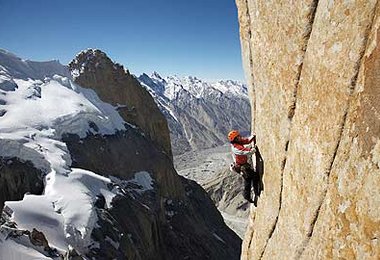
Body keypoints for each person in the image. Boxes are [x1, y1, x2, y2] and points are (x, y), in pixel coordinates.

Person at [228, 130, 259, 205]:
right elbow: (244, 151)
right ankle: (250, 194)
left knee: (249, 179)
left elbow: (246, 141)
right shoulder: (236, 148)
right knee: (251, 178)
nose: (240, 137)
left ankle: (251, 193)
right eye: (238, 136)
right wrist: (253, 150)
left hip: (243, 165)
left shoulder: (238, 142)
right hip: (242, 167)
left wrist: (253, 137)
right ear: (235, 139)